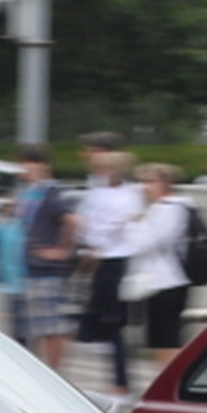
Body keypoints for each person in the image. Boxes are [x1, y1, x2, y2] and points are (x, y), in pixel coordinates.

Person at [69, 134, 141, 394]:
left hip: (111, 260)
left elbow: (112, 225)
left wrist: (93, 248)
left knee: (109, 323)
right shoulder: (98, 189)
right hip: (96, 256)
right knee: (92, 321)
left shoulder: (126, 195)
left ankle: (121, 381)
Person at [118, 162, 193, 357]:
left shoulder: (169, 209)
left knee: (164, 340)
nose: (144, 187)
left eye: (149, 181)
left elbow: (144, 243)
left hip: (166, 281)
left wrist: (132, 224)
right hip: (162, 282)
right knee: (162, 339)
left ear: (165, 183)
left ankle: (167, 382)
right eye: (142, 181)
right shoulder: (167, 208)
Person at [8, 145, 70, 361]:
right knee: (32, 327)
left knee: (49, 328)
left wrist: (62, 250)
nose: (25, 169)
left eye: (31, 164)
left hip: (45, 270)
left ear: (44, 166)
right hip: (27, 269)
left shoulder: (51, 194)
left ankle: (53, 372)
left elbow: (71, 221)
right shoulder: (29, 193)